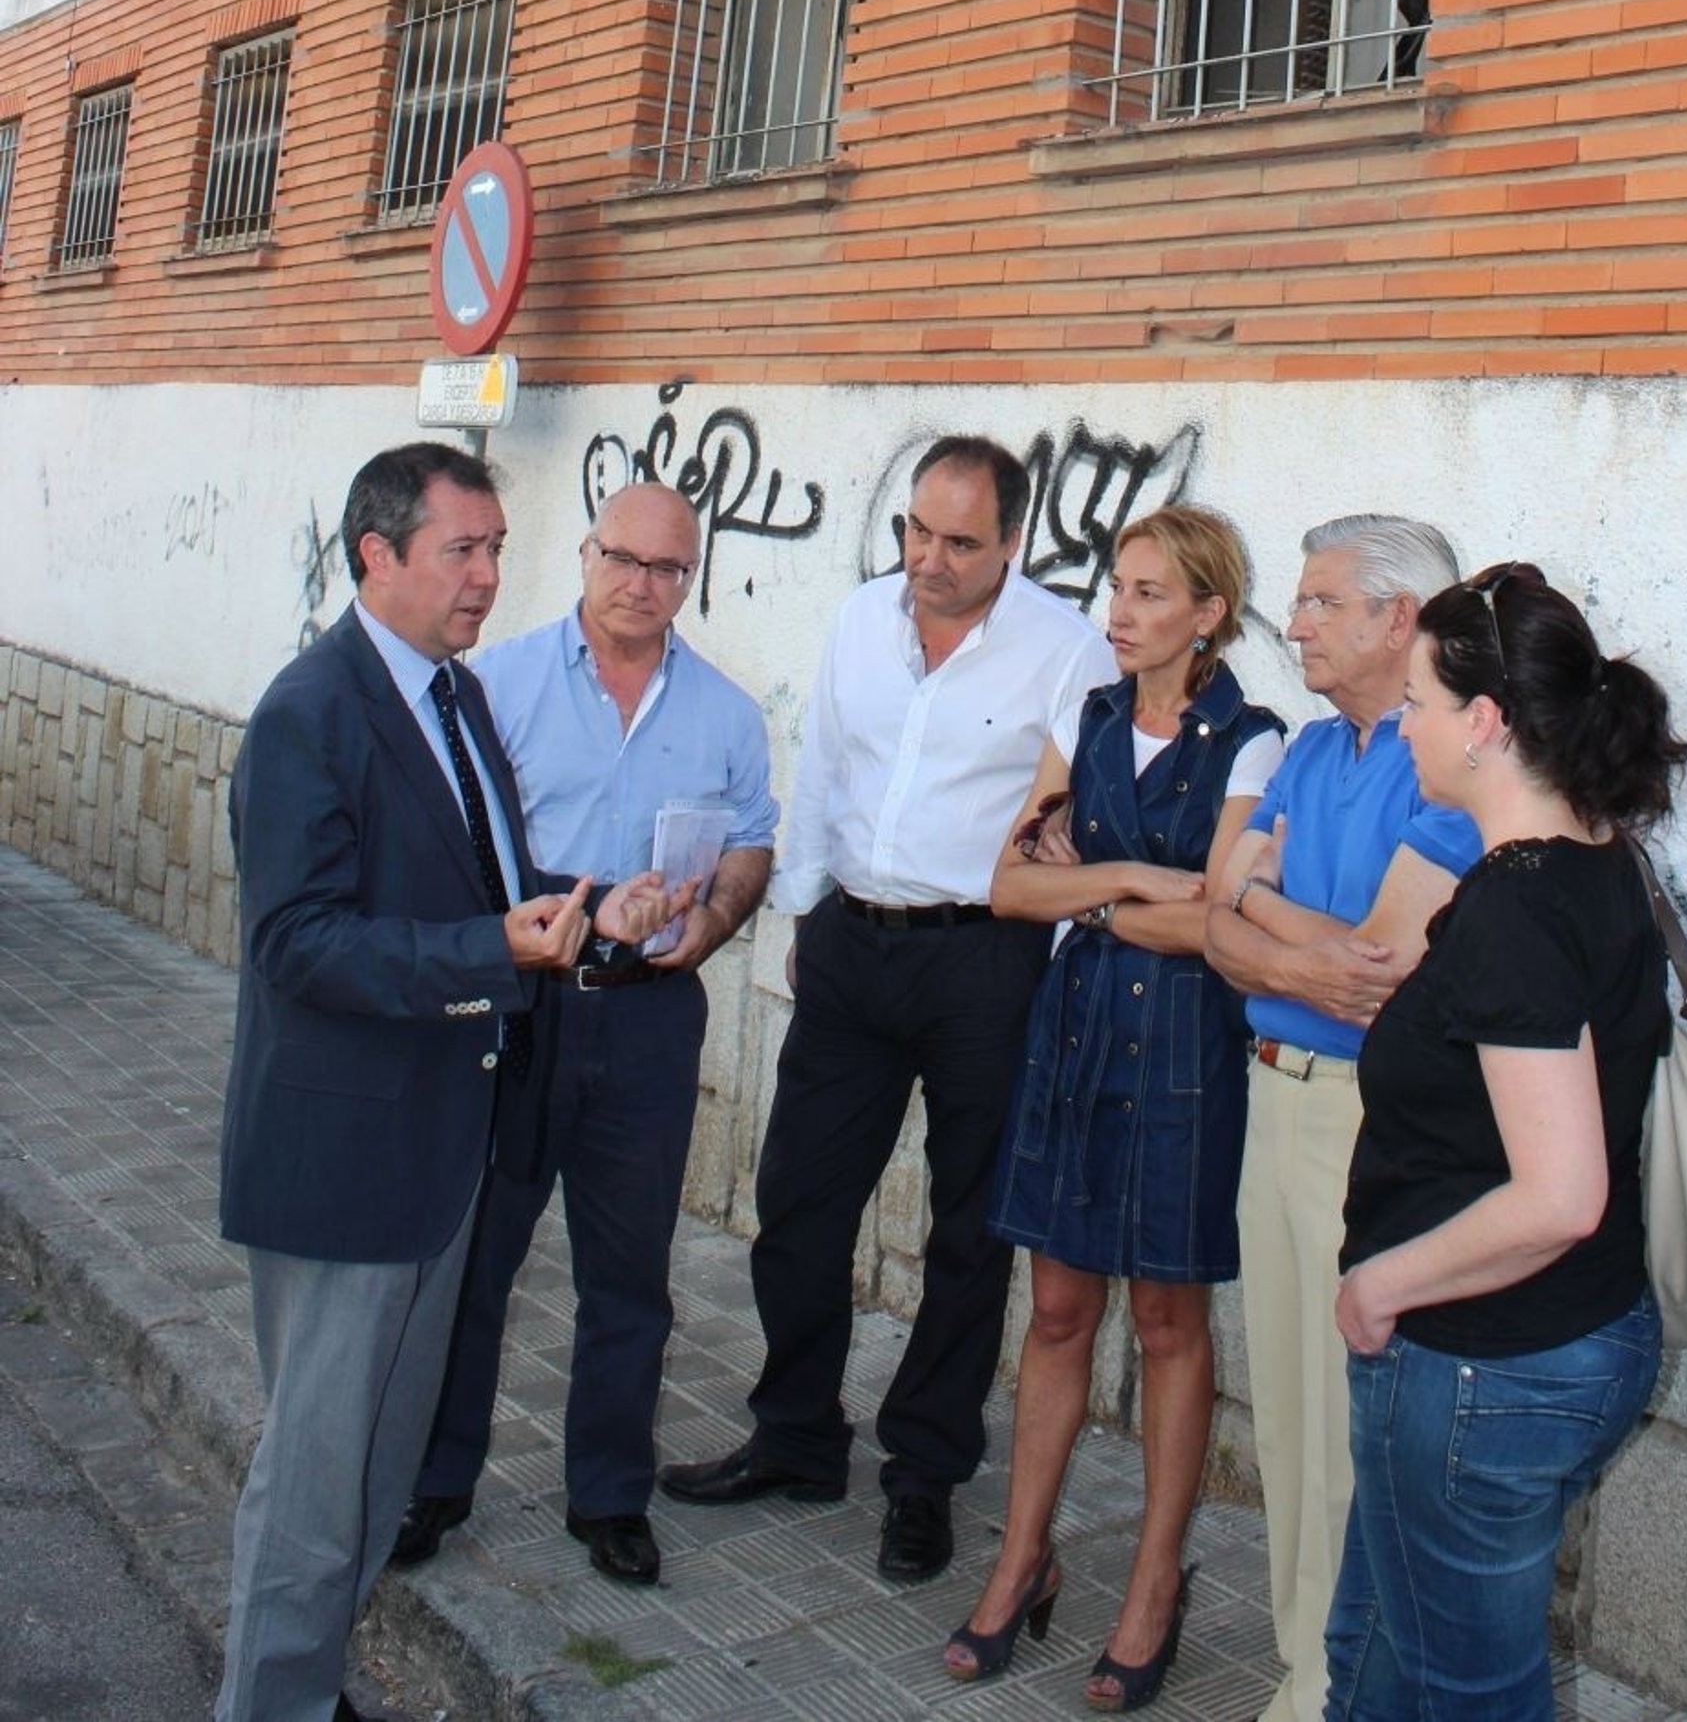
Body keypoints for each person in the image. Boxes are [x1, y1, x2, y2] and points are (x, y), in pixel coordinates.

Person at [215, 443, 631, 1722]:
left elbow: (470, 883)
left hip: (441, 1148)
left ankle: (309, 1684)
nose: (489, 576)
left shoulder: (453, 694)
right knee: (315, 1484)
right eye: (463, 550)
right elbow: (298, 943)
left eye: (497, 547)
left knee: (380, 1465)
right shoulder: (312, 711)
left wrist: (587, 909)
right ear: (377, 555)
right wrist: (492, 950)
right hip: (346, 1165)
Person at [661, 435, 1118, 1586]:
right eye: (919, 530)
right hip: (854, 946)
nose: (930, 558)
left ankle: (925, 1472)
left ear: (1013, 541)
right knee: (797, 1200)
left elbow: (1080, 822)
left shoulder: (1068, 651)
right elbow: (823, 768)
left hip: (987, 962)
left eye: (961, 541)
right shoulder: (864, 618)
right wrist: (805, 917)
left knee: (969, 1231)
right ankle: (797, 1434)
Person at [393, 481, 776, 1587]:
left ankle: (609, 1496)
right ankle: (437, 1481)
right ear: (584, 553)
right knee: (479, 1259)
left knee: (630, 1275)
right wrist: (581, 905)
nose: (640, 585)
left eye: (668, 569)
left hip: (649, 1016)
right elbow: (459, 850)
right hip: (522, 1010)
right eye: (623, 558)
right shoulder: (495, 685)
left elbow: (753, 842)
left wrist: (709, 922)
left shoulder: (726, 713)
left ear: (690, 579)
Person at [1325, 562, 1687, 1720]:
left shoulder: (1516, 909)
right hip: (1554, 1340)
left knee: (1466, 1694)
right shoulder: (1598, 861)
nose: (1406, 727)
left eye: (1419, 703)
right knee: (1371, 1657)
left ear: (1484, 723)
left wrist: (1382, 1284)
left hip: (1485, 1366)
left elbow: (1560, 1194)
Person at [944, 507, 1279, 1712]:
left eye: (1149, 593)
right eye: (1117, 588)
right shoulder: (1085, 719)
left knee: (1172, 1321)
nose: (1119, 613)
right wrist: (1135, 878)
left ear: (1208, 613)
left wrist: (1081, 887)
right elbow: (1004, 885)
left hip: (1187, 1051)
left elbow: (1220, 920)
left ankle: (1153, 1584)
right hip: (1077, 1032)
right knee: (1056, 1310)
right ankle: (1022, 1558)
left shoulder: (1254, 742)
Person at [1204, 516, 1480, 1722]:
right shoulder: (1312, 750)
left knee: (1344, 1418)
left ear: (1398, 618)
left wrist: (1261, 914)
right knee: (1285, 1411)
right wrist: (1268, 930)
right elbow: (1215, 916)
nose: (1296, 623)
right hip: (1272, 1091)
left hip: (1363, 1120)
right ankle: (1302, 1664)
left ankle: (1338, 1685)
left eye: (1321, 602)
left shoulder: (1449, 767)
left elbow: (1382, 965)